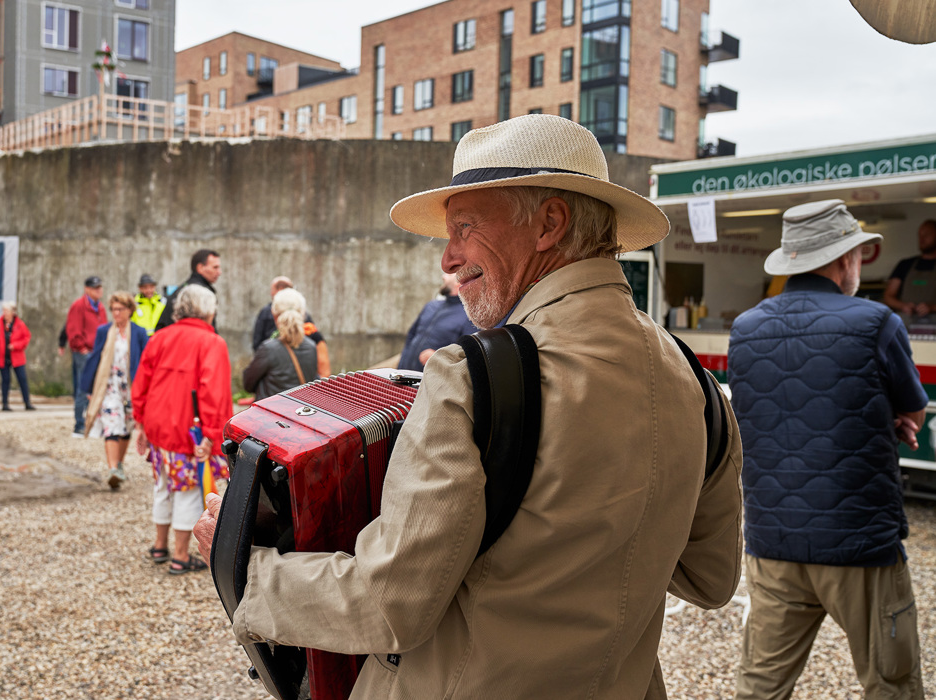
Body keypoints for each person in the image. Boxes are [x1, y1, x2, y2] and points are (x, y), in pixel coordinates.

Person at [193, 114, 743, 698]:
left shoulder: (476, 378)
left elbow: (388, 604)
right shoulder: (696, 382)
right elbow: (711, 578)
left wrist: (241, 565)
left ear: (549, 224)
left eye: (463, 228)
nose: (447, 259)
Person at [728, 200, 926, 699]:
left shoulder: (745, 329)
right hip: (860, 543)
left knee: (760, 686)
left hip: (772, 542)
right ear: (844, 260)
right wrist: (893, 419)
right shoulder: (877, 322)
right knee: (891, 682)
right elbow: (914, 410)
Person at [134, 284, 232, 575]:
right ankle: (180, 556)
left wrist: (140, 423)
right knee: (189, 493)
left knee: (163, 486)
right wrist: (214, 436)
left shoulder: (160, 337)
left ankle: (160, 545)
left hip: (158, 427)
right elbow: (214, 395)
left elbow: (141, 384)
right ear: (208, 309)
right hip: (190, 431)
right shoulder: (212, 342)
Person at [80, 292, 148, 490]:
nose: (116, 313)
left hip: (131, 386)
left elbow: (145, 362)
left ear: (129, 310)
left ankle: (118, 464)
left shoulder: (139, 332)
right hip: (108, 386)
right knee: (111, 424)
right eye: (113, 309)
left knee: (126, 426)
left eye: (120, 309)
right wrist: (89, 387)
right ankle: (112, 469)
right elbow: (95, 359)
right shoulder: (104, 331)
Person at [243, 288, 319, 400]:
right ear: (303, 315)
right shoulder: (312, 347)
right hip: (299, 413)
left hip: (272, 413)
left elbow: (248, 384)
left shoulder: (268, 348)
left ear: (275, 316)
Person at [397, 272, 479, 371]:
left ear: (459, 281)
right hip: (404, 375)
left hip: (429, 382)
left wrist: (438, 358)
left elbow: (466, 357)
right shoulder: (431, 306)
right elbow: (411, 336)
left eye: (448, 275)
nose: (443, 276)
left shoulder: (469, 316)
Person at [251, 276, 331, 377]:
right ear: (302, 313)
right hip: (304, 392)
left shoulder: (268, 347)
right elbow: (324, 374)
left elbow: (256, 343)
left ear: (274, 314)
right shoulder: (313, 340)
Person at [65, 276, 107, 437]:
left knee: (98, 388)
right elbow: (73, 329)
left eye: (100, 287)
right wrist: (80, 347)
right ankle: (79, 424)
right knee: (83, 388)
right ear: (87, 289)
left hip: (98, 352)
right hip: (84, 353)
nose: (99, 290)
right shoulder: (79, 306)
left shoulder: (100, 308)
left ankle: (94, 422)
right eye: (95, 288)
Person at [883, 218, 936, 325]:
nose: (922, 239)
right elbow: (888, 296)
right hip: (906, 326)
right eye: (920, 235)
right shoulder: (905, 265)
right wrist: (903, 306)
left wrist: (931, 307)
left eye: (927, 235)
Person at [155, 249, 221, 331]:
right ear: (200, 268)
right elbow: (208, 330)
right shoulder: (203, 295)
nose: (219, 272)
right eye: (215, 267)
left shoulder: (180, 291)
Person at [0, 301, 35, 412]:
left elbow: (26, 338)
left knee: (22, 379)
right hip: (2, 357)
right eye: (4, 311)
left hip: (16, 357)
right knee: (5, 380)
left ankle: (27, 402)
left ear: (13, 312)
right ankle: (5, 404)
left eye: (7, 311)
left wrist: (15, 345)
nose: (4, 313)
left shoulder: (19, 324)